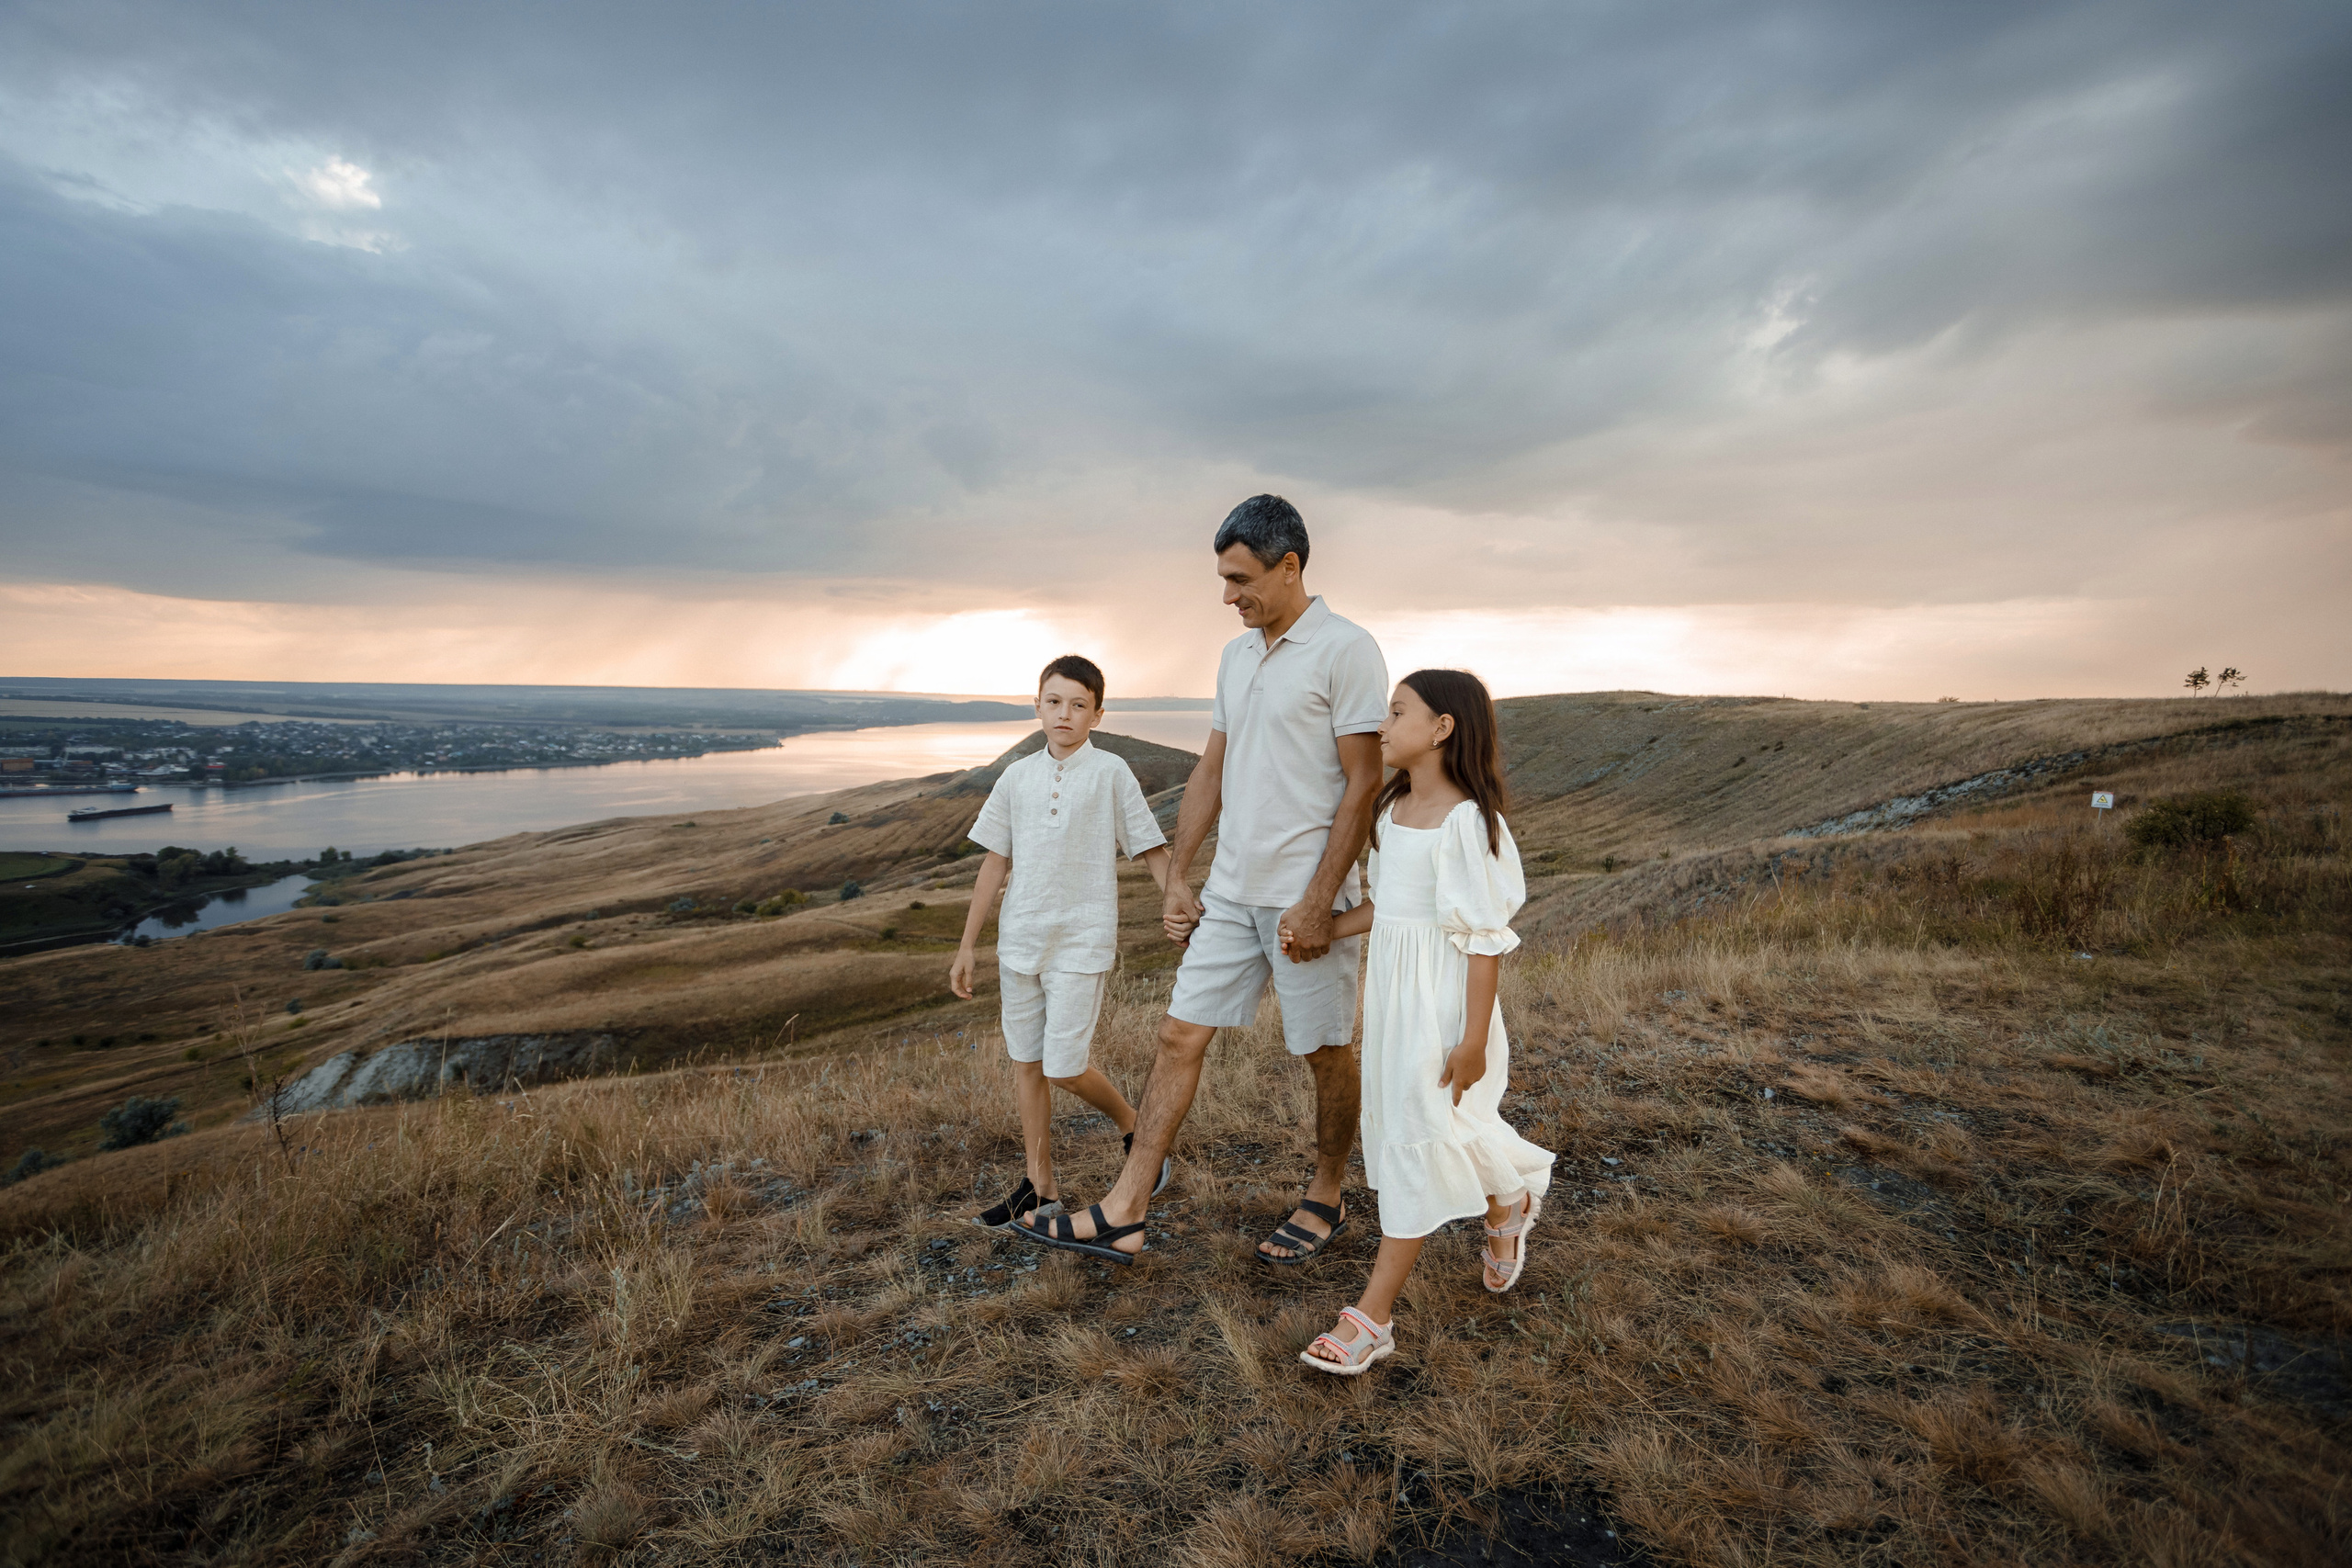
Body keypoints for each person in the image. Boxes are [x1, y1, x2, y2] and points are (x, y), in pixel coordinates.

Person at [1019, 494, 1387, 1265]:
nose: (1228, 597)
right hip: (1230, 889)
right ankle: (1126, 1206)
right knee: (1179, 1032)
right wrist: (1180, 877)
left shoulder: (1348, 650)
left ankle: (1326, 1192)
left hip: (1305, 896)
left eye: (1240, 579)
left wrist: (1321, 899)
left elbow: (1363, 782)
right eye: (1223, 580)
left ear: (1289, 567)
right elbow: (1210, 769)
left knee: (1324, 1050)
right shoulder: (1235, 655)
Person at [1294, 669, 1555, 1374]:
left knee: (1420, 1131)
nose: (1383, 723)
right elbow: (1395, 908)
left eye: (1398, 711)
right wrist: (1326, 926)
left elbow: (1479, 937)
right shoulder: (1394, 808)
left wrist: (1471, 1040)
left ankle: (1371, 1317)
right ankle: (1509, 1197)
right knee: (1438, 1123)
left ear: (1442, 728)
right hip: (1393, 998)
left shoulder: (1469, 821)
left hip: (1441, 1003)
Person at [950, 655, 1175, 1230]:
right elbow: (993, 864)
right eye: (1054, 702)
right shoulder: (1017, 776)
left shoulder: (1111, 772)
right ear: (1037, 707)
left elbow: (1150, 845)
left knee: (1064, 1066)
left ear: (1097, 714)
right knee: (1027, 1063)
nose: (1065, 715)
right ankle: (1041, 1187)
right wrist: (967, 945)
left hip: (1081, 940)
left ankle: (1134, 1126)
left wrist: (1178, 898)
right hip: (1018, 941)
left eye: (1079, 705)